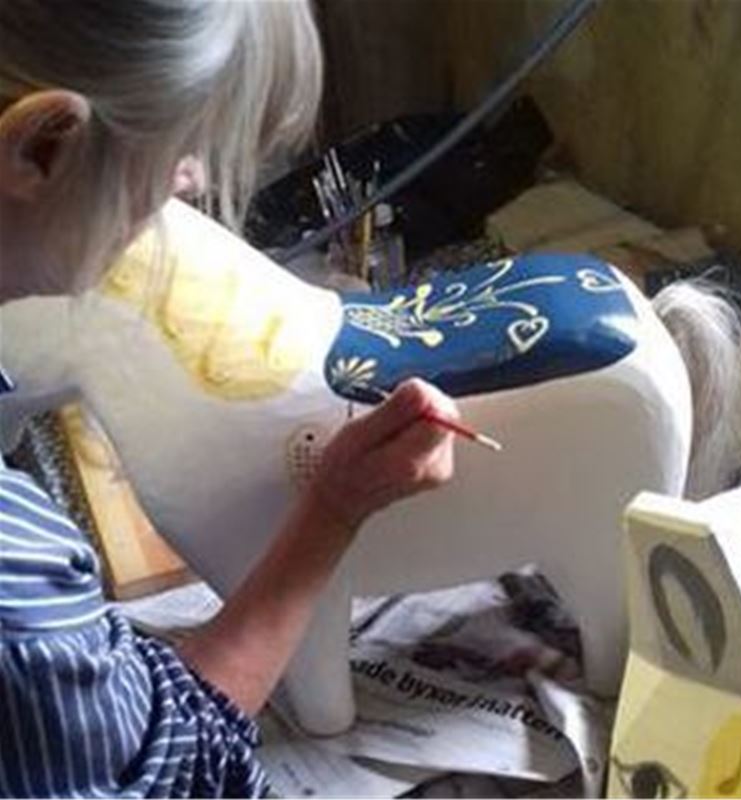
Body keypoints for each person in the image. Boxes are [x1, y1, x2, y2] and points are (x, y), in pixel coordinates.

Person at [0, 2, 458, 796]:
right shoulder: (18, 585)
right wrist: (333, 512)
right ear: (45, 147)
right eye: (178, 147)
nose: (193, 179)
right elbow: (174, 774)